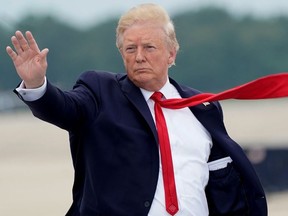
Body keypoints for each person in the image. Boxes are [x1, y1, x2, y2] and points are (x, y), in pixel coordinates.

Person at [6, 3, 267, 216]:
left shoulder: (203, 106)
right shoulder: (100, 91)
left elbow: (222, 181)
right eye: (130, 48)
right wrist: (36, 84)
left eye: (149, 47)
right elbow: (63, 108)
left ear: (172, 54)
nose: (139, 56)